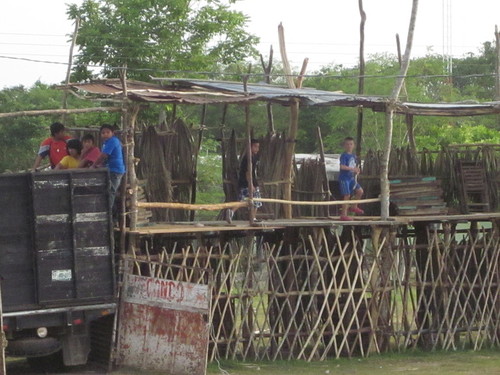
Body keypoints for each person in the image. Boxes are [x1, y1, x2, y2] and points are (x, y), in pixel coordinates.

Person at [225, 139, 262, 223]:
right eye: (255, 147)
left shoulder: (253, 157)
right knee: (255, 200)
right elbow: (248, 173)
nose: (257, 149)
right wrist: (251, 184)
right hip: (248, 183)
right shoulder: (248, 158)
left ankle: (233, 211)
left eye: (258, 147)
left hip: (247, 182)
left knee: (243, 200)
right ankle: (252, 217)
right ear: (250, 147)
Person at [92, 124, 126, 208]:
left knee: (111, 191)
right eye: (103, 133)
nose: (105, 134)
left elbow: (103, 155)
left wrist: (93, 165)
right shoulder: (106, 143)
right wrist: (101, 165)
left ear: (112, 133)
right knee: (107, 191)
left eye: (108, 132)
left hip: (115, 170)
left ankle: (108, 212)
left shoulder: (113, 141)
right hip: (111, 169)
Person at [339, 137, 364, 221]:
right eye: (347, 144)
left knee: (360, 191)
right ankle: (343, 215)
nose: (349, 146)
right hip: (344, 178)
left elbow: (354, 166)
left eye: (351, 144)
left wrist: (356, 170)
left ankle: (354, 206)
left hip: (351, 178)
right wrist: (352, 169)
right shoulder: (344, 155)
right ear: (344, 146)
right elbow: (342, 166)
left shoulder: (354, 156)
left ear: (353, 145)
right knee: (347, 195)